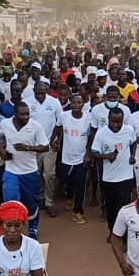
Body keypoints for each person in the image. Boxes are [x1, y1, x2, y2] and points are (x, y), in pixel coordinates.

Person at [0, 102, 50, 238]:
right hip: (11, 172)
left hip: (29, 172)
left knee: (31, 204)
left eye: (27, 114)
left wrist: (28, 148)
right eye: (22, 114)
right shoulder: (5, 124)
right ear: (15, 114)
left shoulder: (35, 126)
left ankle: (32, 230)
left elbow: (45, 147)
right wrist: (1, 150)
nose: (26, 117)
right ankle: (11, 232)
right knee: (11, 203)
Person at [91, 108, 137, 238]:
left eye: (119, 122)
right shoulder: (101, 133)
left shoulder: (129, 130)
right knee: (111, 208)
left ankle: (123, 236)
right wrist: (106, 156)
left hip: (126, 176)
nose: (116, 125)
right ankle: (112, 231)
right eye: (113, 122)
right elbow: (94, 153)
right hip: (109, 178)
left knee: (123, 208)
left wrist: (132, 155)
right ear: (108, 119)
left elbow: (133, 143)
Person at [55, 94, 93, 225]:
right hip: (66, 157)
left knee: (81, 185)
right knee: (68, 181)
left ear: (83, 105)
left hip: (81, 159)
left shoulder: (88, 119)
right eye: (74, 102)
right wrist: (56, 141)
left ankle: (78, 212)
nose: (76, 105)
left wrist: (88, 153)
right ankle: (69, 197)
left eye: (79, 103)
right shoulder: (64, 116)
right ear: (71, 103)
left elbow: (91, 136)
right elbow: (58, 129)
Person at [25, 82, 61, 216]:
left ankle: (49, 202)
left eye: (42, 93)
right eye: (37, 93)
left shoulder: (54, 102)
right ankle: (37, 199)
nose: (40, 95)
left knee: (49, 174)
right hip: (33, 145)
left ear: (47, 91)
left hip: (49, 145)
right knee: (35, 174)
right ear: (33, 91)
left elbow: (59, 123)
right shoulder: (27, 102)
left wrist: (56, 141)